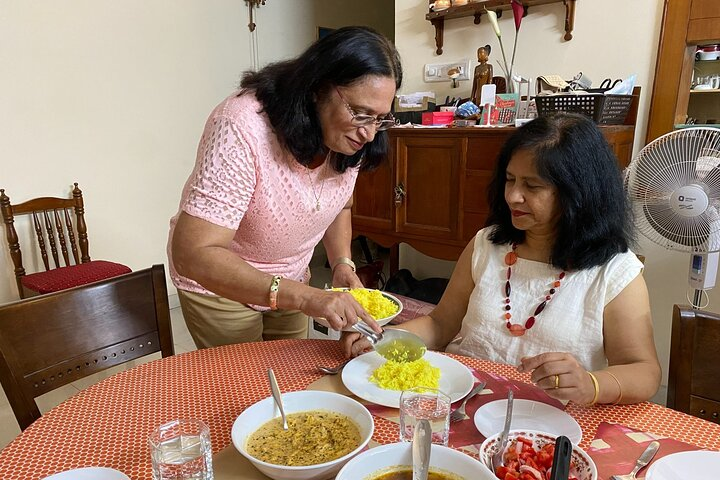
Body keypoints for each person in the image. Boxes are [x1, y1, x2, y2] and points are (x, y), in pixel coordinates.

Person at [343, 112, 661, 406]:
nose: (512, 196)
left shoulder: (615, 271)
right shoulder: (488, 244)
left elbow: (644, 371)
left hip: (543, 422)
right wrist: (383, 340)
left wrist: (591, 384)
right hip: (461, 401)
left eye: (532, 186)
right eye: (510, 180)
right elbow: (441, 324)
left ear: (578, 193)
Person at [168, 26, 402, 348]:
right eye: (361, 114)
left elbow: (337, 204)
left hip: (293, 277)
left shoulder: (353, 137)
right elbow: (194, 253)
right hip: (221, 285)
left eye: (380, 119)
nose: (370, 134)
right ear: (317, 88)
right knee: (245, 388)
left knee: (290, 380)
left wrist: (342, 264)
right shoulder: (242, 125)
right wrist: (306, 298)